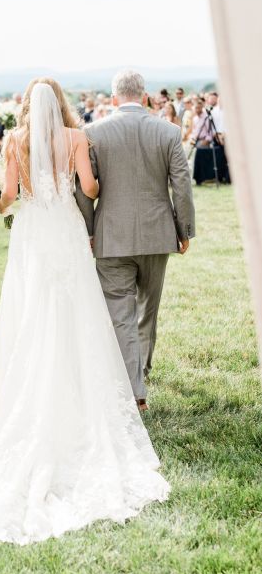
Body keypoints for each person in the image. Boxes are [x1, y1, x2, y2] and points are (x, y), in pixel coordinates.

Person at [0, 77, 170, 545]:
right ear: (59, 103)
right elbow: (89, 186)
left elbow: (9, 198)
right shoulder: (77, 137)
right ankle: (80, 391)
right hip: (65, 228)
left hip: (33, 235)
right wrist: (94, 181)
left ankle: (34, 383)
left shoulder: (15, 141)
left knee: (33, 312)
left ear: (25, 106)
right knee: (80, 313)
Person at [76, 69, 195, 407]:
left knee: (120, 313)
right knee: (147, 309)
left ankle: (133, 390)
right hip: (158, 234)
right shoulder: (169, 131)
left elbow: (84, 190)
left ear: (114, 99)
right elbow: (181, 187)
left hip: (110, 236)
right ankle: (140, 372)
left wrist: (88, 229)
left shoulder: (94, 133)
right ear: (144, 97)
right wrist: (184, 229)